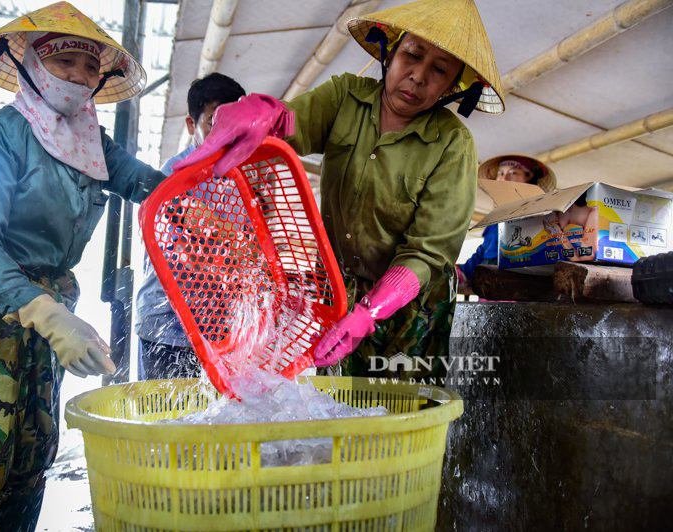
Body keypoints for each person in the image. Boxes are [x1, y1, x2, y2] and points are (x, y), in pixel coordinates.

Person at [0, 3, 166, 530]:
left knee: (34, 449)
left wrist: (216, 172)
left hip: (54, 303)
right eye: (63, 62)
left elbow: (153, 187)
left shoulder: (93, 144)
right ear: (29, 62)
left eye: (89, 66)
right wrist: (47, 316)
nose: (78, 76)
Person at [174, 0, 504, 379]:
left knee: (400, 411)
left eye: (440, 70)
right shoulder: (345, 97)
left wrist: (372, 311)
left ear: (452, 88)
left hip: (412, 307)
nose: (418, 76)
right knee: (341, 401)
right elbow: (291, 123)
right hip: (339, 292)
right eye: (412, 55)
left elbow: (428, 255)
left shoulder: (452, 143)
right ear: (390, 51)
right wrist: (264, 114)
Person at [136, 73, 246, 380]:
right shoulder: (171, 176)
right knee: (165, 418)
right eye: (214, 121)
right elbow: (182, 255)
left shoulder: (241, 179)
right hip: (167, 327)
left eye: (235, 122)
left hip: (219, 329)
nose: (226, 132)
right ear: (190, 125)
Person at [458, 154, 557, 285]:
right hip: (490, 286)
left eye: (514, 173)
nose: (504, 178)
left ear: (530, 178)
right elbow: (484, 251)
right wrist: (460, 272)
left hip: (523, 286)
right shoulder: (495, 219)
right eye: (500, 173)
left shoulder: (542, 216)